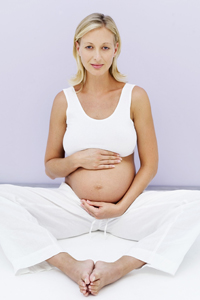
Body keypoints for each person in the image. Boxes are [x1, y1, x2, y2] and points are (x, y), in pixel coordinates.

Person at [0, 12, 200, 297]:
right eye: (90, 46)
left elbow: (150, 165)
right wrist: (78, 160)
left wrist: (120, 207)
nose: (97, 56)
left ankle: (120, 267)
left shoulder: (135, 96)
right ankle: (68, 264)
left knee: (197, 203)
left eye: (105, 47)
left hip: (126, 210)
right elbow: (50, 167)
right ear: (77, 48)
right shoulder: (64, 100)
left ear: (116, 49)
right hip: (73, 207)